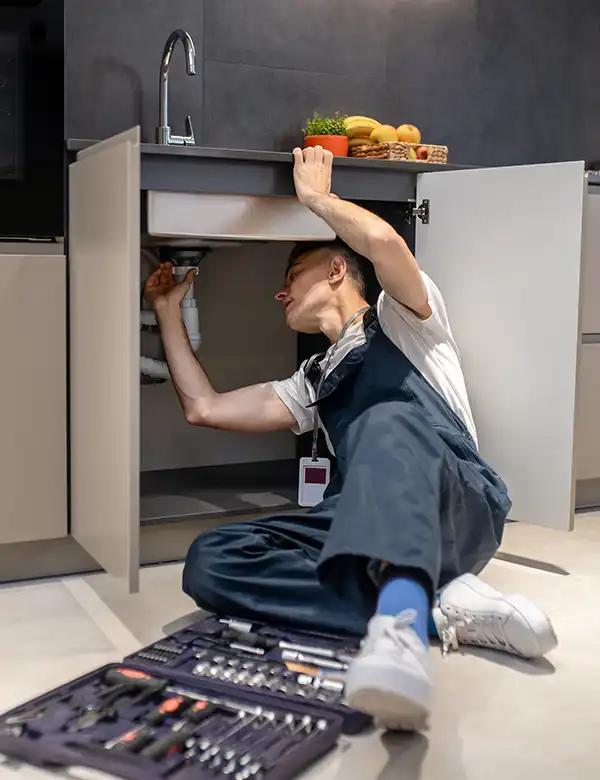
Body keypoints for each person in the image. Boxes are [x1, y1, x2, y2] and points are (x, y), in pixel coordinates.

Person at [144, 146, 557, 731]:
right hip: (364, 521)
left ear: (337, 269)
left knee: (387, 420)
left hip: (457, 501)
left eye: (292, 276)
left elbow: (385, 245)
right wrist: (167, 309)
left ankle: (400, 630)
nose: (279, 293)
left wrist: (317, 199)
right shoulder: (313, 380)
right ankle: (438, 608)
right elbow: (205, 408)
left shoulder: (407, 319)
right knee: (211, 561)